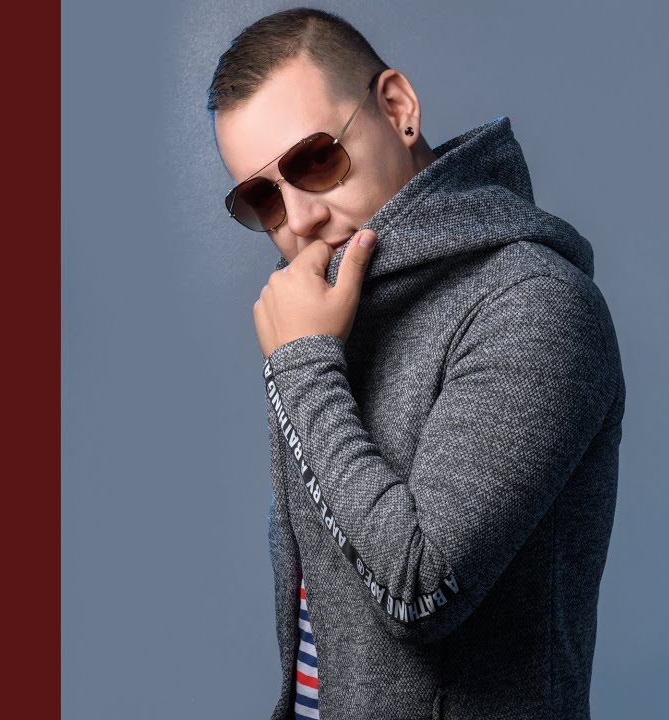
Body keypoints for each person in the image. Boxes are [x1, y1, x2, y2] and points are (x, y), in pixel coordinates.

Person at [208, 8, 626, 719]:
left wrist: (303, 367)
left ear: (398, 109)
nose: (300, 218)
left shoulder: (534, 303)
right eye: (262, 198)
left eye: (315, 160)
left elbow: (419, 590)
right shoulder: (332, 316)